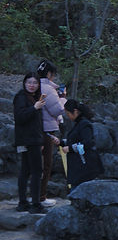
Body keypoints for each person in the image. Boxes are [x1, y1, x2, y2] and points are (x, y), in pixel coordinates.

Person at [13, 73, 47, 214]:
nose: (32, 85)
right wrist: (35, 107)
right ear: (24, 83)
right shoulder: (21, 97)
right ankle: (35, 204)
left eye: (35, 83)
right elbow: (19, 117)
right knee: (36, 171)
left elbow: (37, 122)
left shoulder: (34, 98)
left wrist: (42, 140)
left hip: (31, 139)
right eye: (29, 82)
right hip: (28, 140)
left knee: (26, 171)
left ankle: (23, 203)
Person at [36, 60, 66, 206]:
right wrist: (63, 99)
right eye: (53, 74)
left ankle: (34, 195)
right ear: (49, 74)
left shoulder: (35, 85)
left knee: (35, 164)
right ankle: (41, 197)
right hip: (46, 130)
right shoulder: (48, 89)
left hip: (36, 129)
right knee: (46, 164)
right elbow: (57, 110)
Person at [61, 100, 103, 191]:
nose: (67, 116)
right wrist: (61, 142)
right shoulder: (79, 124)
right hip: (79, 166)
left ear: (75, 111)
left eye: (68, 113)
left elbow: (88, 142)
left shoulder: (84, 124)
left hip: (84, 166)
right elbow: (75, 139)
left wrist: (70, 148)